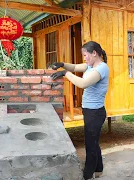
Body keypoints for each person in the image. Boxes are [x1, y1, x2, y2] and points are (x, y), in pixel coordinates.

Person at [51, 41, 109, 180]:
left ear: (94, 53)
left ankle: (88, 175)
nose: (84, 58)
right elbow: (76, 67)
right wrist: (63, 64)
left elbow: (83, 83)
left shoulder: (101, 68)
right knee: (93, 142)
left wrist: (66, 73)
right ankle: (99, 169)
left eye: (85, 55)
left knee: (90, 145)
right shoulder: (90, 66)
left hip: (95, 113)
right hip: (90, 111)